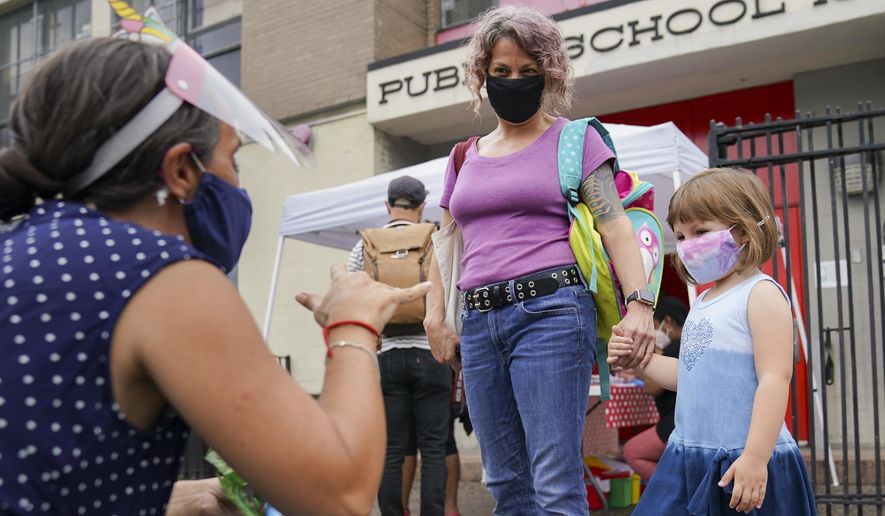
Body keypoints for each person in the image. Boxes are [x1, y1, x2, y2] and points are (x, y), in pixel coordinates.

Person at [0, 37, 431, 515]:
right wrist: (353, 323)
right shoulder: (160, 275)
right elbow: (340, 494)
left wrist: (173, 498)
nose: (236, 182)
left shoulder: (23, 252)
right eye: (232, 159)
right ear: (182, 170)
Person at [422, 6, 656, 514]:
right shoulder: (464, 155)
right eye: (501, 72)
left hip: (551, 312)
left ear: (549, 74)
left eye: (528, 72)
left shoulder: (575, 139)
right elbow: (445, 242)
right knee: (505, 481)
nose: (514, 82)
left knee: (553, 480)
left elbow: (615, 223)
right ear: (481, 75)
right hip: (480, 323)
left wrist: (640, 304)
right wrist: (434, 315)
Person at [608, 168, 816, 514]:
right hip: (687, 456)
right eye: (681, 236)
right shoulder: (702, 301)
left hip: (743, 461)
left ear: (745, 229)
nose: (689, 245)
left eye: (701, 231)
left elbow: (774, 378)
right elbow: (688, 374)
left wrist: (754, 457)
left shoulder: (761, 294)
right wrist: (639, 357)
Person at [348, 176, 452, 516]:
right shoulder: (436, 240)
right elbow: (454, 295)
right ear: (423, 207)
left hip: (387, 356)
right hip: (432, 351)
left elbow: (353, 303)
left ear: (387, 205)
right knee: (434, 449)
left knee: (392, 448)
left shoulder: (363, 246)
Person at [622, 295, 688, 482]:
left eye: (653, 325)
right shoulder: (691, 345)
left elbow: (652, 388)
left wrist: (654, 355)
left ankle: (671, 494)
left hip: (675, 424)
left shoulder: (673, 349)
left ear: (667, 321)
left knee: (632, 451)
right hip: (688, 423)